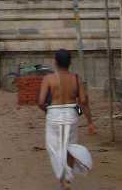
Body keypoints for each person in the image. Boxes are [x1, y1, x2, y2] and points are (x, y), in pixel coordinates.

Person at [38, 49, 96, 189]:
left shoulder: (48, 79)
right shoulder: (76, 78)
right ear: (70, 63)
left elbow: (40, 102)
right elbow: (82, 101)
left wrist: (49, 111)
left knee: (54, 148)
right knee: (69, 147)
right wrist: (88, 121)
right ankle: (67, 179)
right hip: (71, 115)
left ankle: (62, 179)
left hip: (53, 115)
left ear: (55, 62)